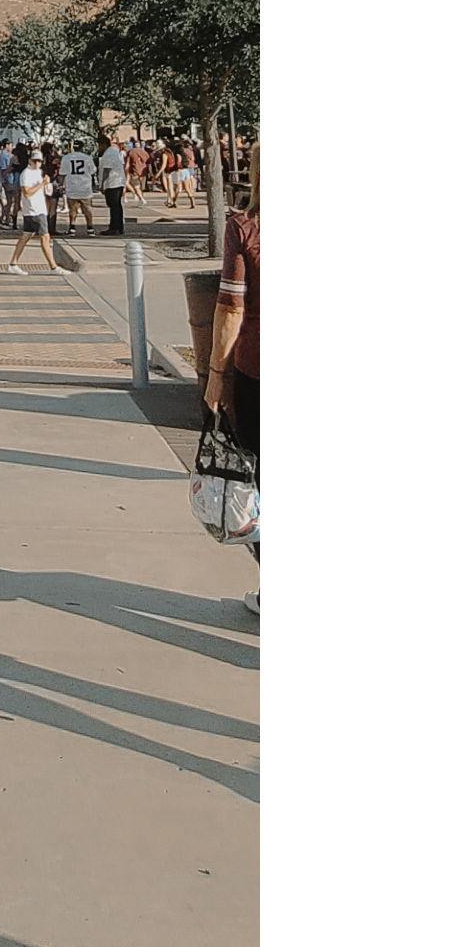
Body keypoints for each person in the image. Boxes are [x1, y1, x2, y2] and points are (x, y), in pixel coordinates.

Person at [204, 142, 260, 616]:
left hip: (258, 369)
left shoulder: (246, 228)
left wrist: (216, 374)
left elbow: (230, 307)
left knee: (258, 482)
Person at [5, 144, 59, 274]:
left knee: (26, 235)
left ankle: (13, 263)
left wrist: (47, 186)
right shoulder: (26, 174)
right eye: (35, 161)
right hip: (34, 210)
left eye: (39, 161)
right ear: (30, 160)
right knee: (45, 237)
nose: (37, 163)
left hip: (38, 208)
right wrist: (42, 184)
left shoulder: (39, 172)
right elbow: (27, 192)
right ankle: (53, 267)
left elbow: (42, 190)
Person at [59, 140, 97, 237]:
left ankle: (72, 228)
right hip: (85, 187)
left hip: (72, 186)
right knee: (87, 208)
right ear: (82, 147)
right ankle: (90, 228)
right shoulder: (87, 158)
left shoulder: (66, 158)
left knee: (72, 209)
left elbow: (62, 173)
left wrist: (61, 185)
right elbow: (93, 171)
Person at [96, 133, 128, 237]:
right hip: (117, 182)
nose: (99, 148)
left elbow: (107, 170)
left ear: (103, 144)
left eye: (99, 145)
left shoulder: (109, 154)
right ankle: (118, 227)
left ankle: (114, 227)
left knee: (114, 206)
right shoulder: (114, 152)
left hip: (112, 182)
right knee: (117, 206)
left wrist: (101, 184)